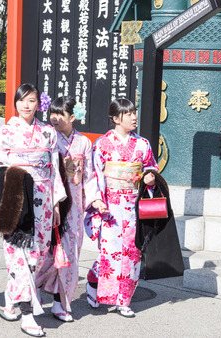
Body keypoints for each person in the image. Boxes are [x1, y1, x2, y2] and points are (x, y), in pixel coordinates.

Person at [0, 84, 66, 337]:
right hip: (16, 197)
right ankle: (28, 314)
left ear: (38, 104)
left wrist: (55, 204)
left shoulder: (48, 133)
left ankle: (11, 302)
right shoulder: (4, 133)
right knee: (19, 255)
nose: (26, 105)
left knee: (37, 256)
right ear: (15, 103)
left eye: (31, 100)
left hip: (42, 198)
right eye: (22, 100)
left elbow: (54, 170)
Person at [84, 98, 159, 317]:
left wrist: (150, 177)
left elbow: (151, 166)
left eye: (134, 113)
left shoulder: (143, 144)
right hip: (110, 205)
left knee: (132, 252)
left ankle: (124, 300)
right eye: (128, 114)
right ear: (116, 119)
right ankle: (93, 282)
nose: (134, 117)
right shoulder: (102, 144)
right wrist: (97, 199)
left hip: (133, 203)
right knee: (110, 253)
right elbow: (93, 174)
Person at [35, 96, 98, 322]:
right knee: (44, 252)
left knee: (70, 254)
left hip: (75, 208)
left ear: (73, 117)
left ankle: (62, 303)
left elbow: (89, 177)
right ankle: (32, 290)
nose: (55, 117)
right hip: (49, 203)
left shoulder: (83, 143)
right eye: (52, 112)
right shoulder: (47, 137)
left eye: (61, 114)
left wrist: (95, 200)